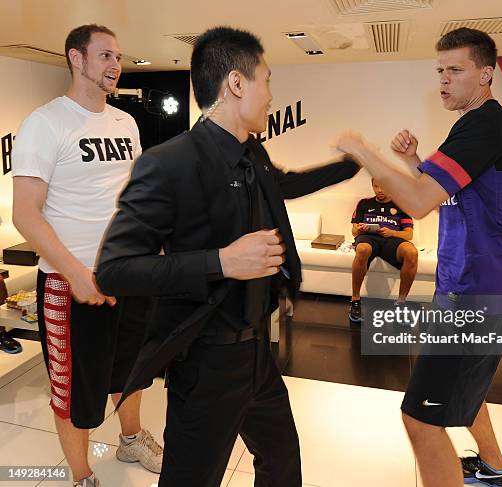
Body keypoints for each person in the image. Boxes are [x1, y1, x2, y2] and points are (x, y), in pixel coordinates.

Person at [95, 26, 360, 487]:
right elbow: (115, 271)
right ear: (236, 83)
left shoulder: (251, 154)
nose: (272, 96)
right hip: (205, 364)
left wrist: (354, 162)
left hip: (257, 354)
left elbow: (284, 185)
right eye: (268, 80)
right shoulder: (168, 162)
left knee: (282, 466)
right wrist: (222, 261)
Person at [335, 27, 502, 487]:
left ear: (486, 75)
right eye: (440, 70)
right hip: (474, 285)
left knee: (421, 419)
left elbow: (418, 202)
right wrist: (417, 158)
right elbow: (441, 191)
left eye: (455, 70)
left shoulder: (488, 124)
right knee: (465, 391)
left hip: (477, 293)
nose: (443, 80)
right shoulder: (474, 125)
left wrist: (367, 154)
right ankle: (496, 471)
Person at [11, 25, 163, 487]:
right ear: (76, 59)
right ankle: (82, 476)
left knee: (132, 367)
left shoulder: (125, 123)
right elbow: (24, 213)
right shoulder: (46, 122)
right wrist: (76, 272)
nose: (115, 64)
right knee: (74, 389)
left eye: (118, 56)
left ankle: (131, 437)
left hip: (127, 275)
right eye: (104, 56)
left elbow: (134, 193)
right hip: (69, 282)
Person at [349, 178, 418, 322]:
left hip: (392, 240)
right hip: (368, 238)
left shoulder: (401, 204)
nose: (379, 190)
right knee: (361, 249)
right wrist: (360, 229)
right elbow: (354, 231)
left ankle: (401, 303)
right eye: (376, 186)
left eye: (383, 186)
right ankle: (355, 300)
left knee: (412, 253)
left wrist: (392, 233)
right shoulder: (364, 203)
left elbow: (408, 234)